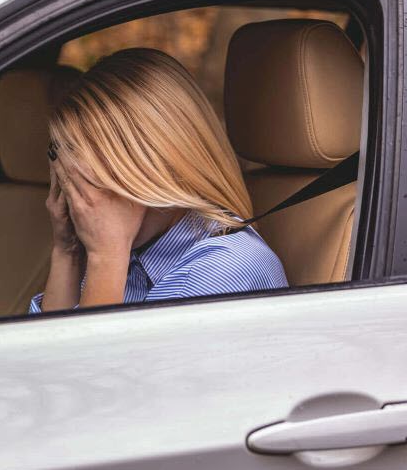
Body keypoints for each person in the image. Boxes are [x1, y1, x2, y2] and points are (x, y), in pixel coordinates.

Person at [30, 48, 287, 314]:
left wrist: (107, 258)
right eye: (71, 182)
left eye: (95, 181)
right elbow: (40, 350)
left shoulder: (227, 270)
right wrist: (67, 251)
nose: (82, 202)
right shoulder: (129, 255)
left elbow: (88, 357)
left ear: (160, 166)